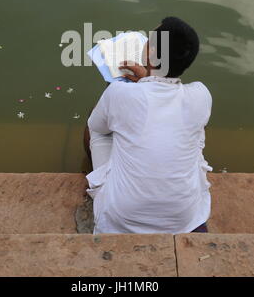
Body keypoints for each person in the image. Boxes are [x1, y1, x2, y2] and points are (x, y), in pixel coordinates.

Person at [84, 16, 212, 234]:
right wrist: (148, 78)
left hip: (120, 217)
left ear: (151, 53)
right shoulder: (201, 94)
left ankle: (96, 179)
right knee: (195, 130)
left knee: (95, 126)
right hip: (184, 218)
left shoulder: (118, 93)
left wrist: (117, 90)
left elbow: (98, 125)